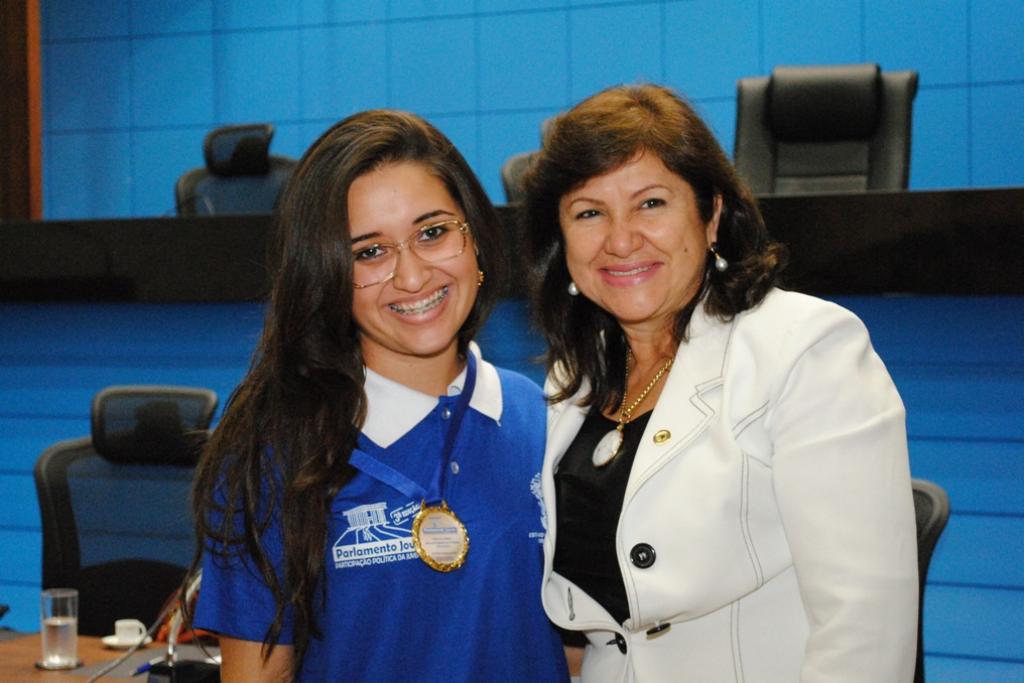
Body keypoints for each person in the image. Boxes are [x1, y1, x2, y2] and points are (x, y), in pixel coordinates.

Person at [521, 84, 918, 682]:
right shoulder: (573, 375)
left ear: (710, 217)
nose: (621, 239)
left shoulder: (804, 349)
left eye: (651, 203)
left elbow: (866, 629)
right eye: (589, 213)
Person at [190, 110, 569, 682]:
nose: (412, 277)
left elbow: (580, 651)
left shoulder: (547, 420)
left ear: (474, 239)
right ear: (327, 275)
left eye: (433, 232)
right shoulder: (275, 451)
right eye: (369, 252)